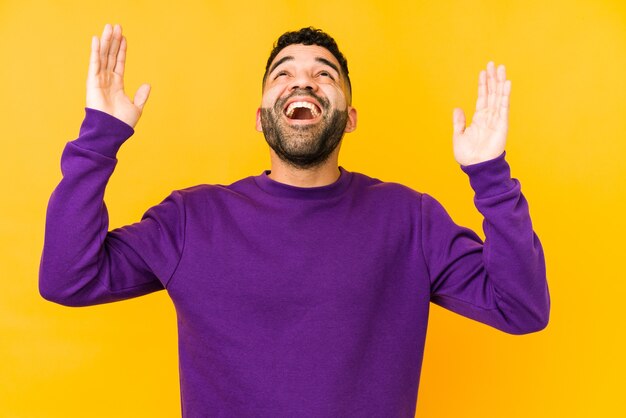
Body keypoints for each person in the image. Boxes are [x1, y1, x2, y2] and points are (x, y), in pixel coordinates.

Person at [40, 23, 550, 417]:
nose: (302, 79)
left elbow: (522, 308)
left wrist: (490, 175)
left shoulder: (408, 219)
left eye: (323, 73)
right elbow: (68, 277)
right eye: (282, 73)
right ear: (262, 115)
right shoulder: (192, 219)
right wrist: (99, 137)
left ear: (349, 116)